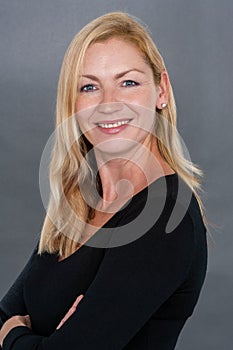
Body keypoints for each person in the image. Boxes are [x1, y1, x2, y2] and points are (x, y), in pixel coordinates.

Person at [0, 11, 208, 350]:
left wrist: (12, 334)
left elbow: (13, 324)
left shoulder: (167, 218)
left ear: (161, 91)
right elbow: (5, 310)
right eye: (89, 87)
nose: (109, 104)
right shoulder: (78, 204)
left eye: (128, 83)